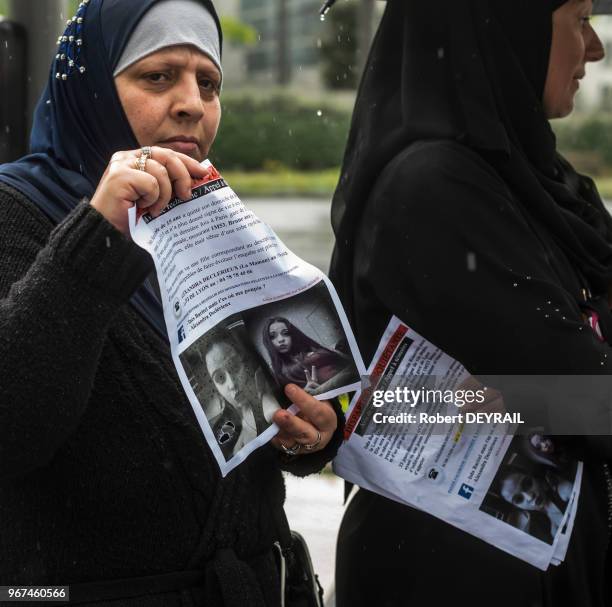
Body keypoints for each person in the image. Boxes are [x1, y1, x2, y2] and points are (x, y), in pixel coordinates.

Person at [0, 0, 342, 604]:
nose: (192, 103)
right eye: (157, 77)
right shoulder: (16, 213)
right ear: (91, 92)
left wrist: (308, 435)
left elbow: (243, 429)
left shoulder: (212, 222)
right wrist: (98, 236)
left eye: (208, 82)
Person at [330, 0, 612, 605]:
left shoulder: (538, 184)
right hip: (457, 578)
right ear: (509, 26)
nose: (595, 48)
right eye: (580, 19)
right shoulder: (432, 189)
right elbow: (590, 398)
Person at [204, 328, 280, 458]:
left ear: (248, 362)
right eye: (220, 378)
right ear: (215, 388)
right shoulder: (228, 426)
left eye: (234, 367)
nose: (232, 384)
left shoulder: (270, 405)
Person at [263, 316, 353, 395]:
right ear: (268, 341)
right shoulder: (283, 373)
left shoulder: (308, 349)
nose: (281, 339)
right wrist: (305, 393)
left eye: (285, 333)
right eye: (273, 336)